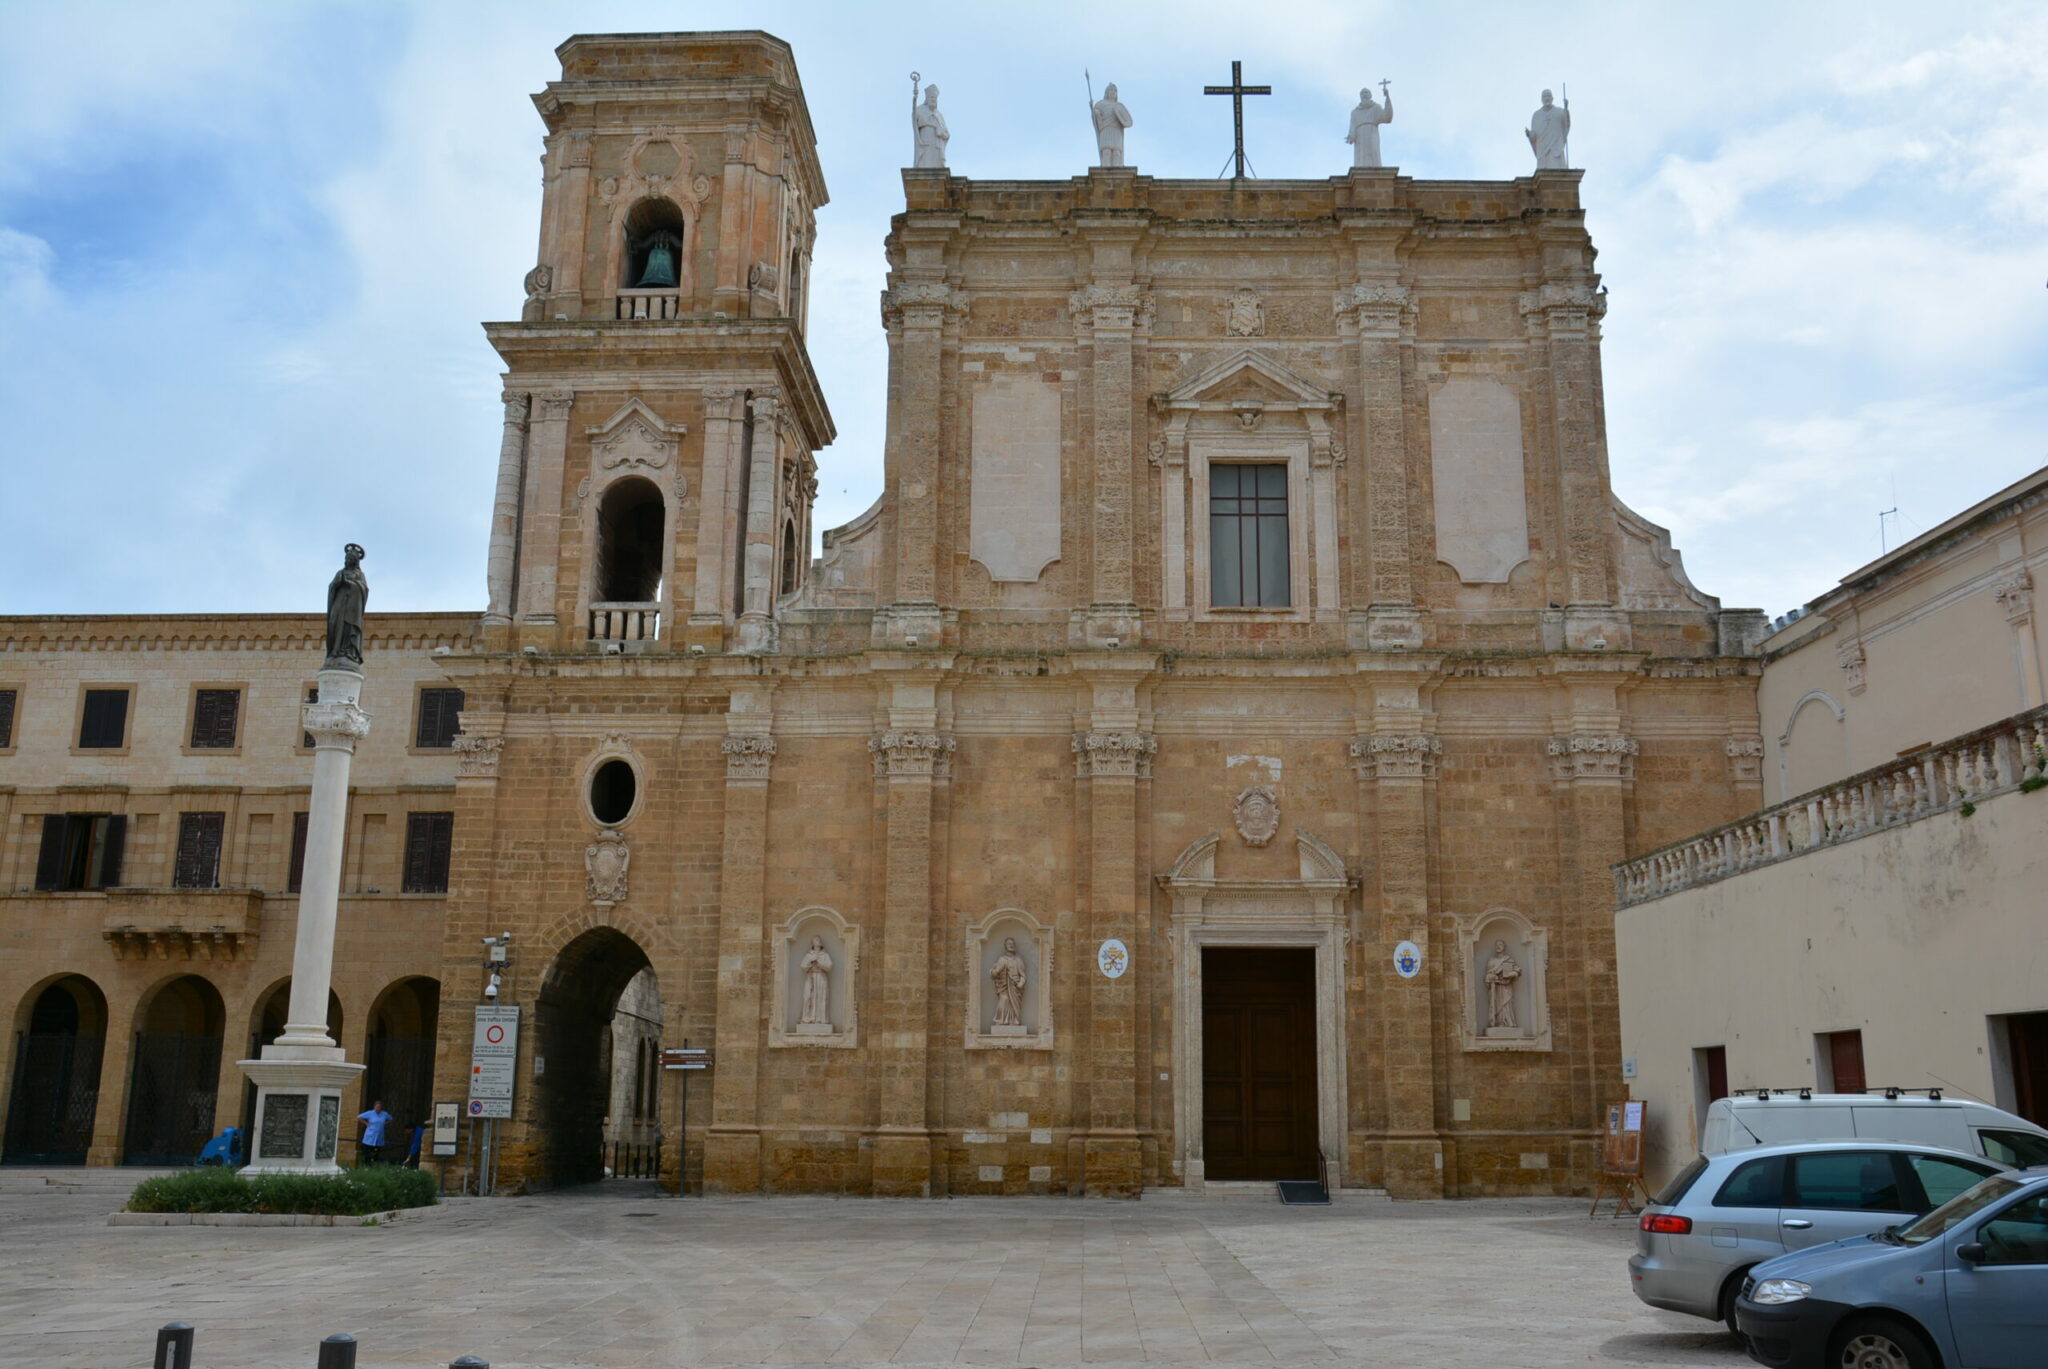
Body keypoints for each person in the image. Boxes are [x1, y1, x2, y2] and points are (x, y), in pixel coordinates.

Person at [356, 1099, 393, 1164]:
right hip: (370, 1136)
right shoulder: (370, 1113)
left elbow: (391, 1119)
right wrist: (366, 1123)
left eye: (379, 1107)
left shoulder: (384, 1114)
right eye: (377, 1107)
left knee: (376, 1153)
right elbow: (359, 1117)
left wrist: (385, 1124)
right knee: (367, 1153)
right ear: (374, 1107)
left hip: (379, 1136)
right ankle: (366, 1165)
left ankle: (374, 1165)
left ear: (381, 1107)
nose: (378, 1109)